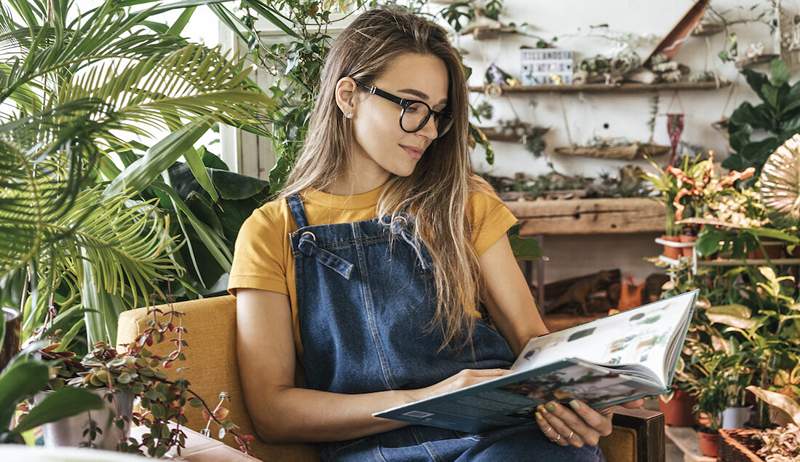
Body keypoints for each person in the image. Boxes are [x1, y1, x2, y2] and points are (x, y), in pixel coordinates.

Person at [229, 6, 642, 461]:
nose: (427, 130)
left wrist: (579, 399)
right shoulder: (271, 232)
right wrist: (428, 401)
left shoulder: (464, 204)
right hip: (371, 451)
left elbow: (531, 339)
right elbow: (273, 411)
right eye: (411, 106)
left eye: (438, 113)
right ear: (348, 95)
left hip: (501, 440)